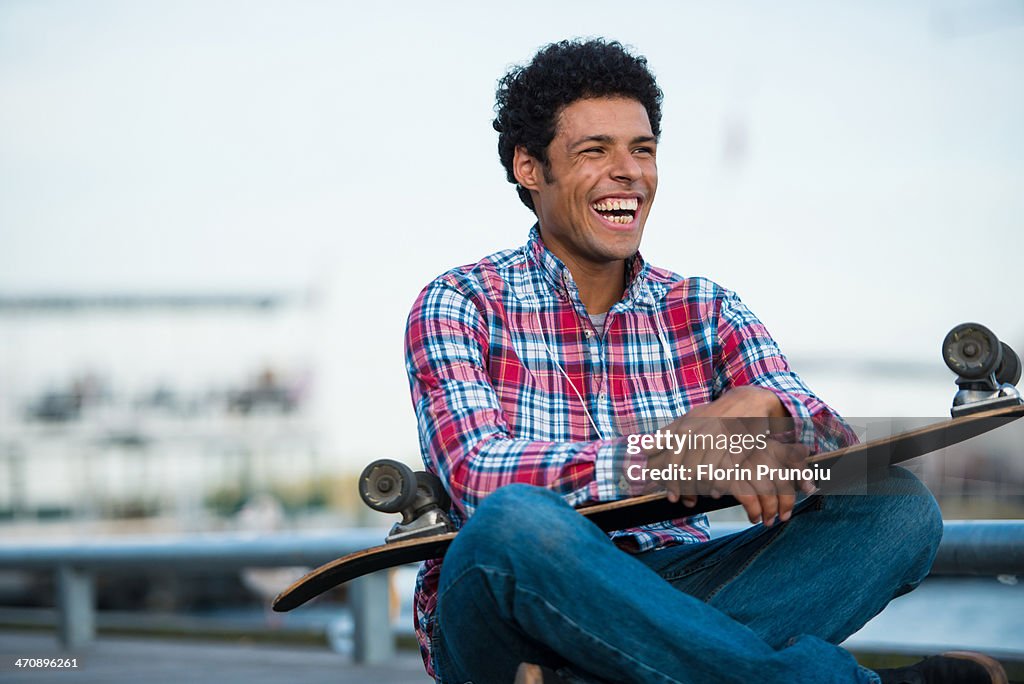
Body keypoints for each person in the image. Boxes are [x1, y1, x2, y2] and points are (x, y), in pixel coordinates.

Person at [403, 38, 1006, 684]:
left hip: (684, 586)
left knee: (898, 507)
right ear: (529, 167)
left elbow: (834, 448)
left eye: (642, 149)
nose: (629, 172)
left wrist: (774, 413)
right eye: (594, 151)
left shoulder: (705, 308)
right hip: (509, 607)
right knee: (514, 522)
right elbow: (476, 475)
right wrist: (660, 457)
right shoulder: (460, 302)